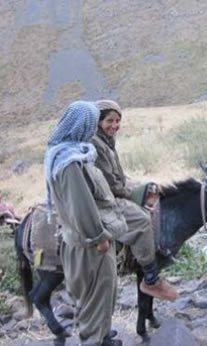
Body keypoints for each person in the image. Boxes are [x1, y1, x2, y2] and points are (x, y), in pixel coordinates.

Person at [44, 101, 122, 345]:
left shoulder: (67, 153)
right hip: (90, 246)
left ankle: (102, 336)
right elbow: (81, 205)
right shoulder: (70, 162)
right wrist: (98, 237)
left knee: (98, 295)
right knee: (95, 298)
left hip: (82, 241)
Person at [91, 99, 178, 300]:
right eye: (109, 121)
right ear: (98, 122)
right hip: (104, 200)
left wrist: (139, 186)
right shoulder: (96, 145)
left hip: (112, 192)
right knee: (142, 221)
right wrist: (134, 194)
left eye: (117, 121)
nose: (114, 126)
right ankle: (150, 278)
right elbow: (110, 184)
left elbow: (119, 176)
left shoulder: (106, 142)